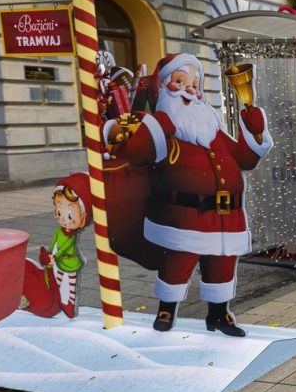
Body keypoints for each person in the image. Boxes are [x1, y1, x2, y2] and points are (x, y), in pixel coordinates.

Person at [107, 53, 272, 336]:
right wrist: (157, 120)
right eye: (180, 81)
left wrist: (254, 130)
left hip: (227, 219)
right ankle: (166, 310)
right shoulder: (164, 129)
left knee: (221, 266)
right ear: (162, 87)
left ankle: (219, 316)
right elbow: (134, 151)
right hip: (185, 217)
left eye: (194, 84)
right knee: (178, 262)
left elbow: (245, 159)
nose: (189, 89)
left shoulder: (211, 131)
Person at [20, 172, 92, 318]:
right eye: (59, 212)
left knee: (68, 282)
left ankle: (69, 303)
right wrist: (50, 252)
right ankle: (57, 299)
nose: (64, 218)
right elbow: (55, 242)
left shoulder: (72, 235)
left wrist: (55, 256)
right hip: (57, 260)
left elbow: (66, 246)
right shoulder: (60, 231)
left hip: (69, 261)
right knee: (56, 280)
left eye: (70, 215)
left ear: (83, 218)